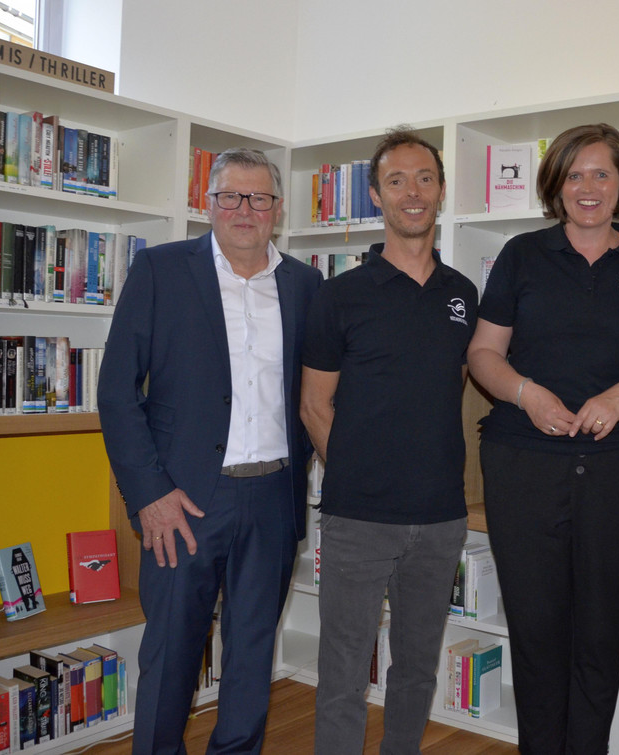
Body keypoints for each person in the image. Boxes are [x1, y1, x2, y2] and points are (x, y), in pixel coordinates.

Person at [97, 148, 322, 754]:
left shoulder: (305, 285)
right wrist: (149, 494)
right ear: (209, 204)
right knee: (171, 657)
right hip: (183, 502)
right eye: (230, 196)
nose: (244, 209)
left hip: (273, 499)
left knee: (252, 657)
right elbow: (116, 393)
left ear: (278, 208)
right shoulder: (162, 270)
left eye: (258, 198)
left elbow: (316, 390)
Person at [467, 123, 619, 753]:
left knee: (601, 634)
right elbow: (482, 354)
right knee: (536, 633)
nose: (588, 187)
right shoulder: (521, 255)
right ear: (556, 186)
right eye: (574, 174)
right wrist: (526, 393)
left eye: (602, 173)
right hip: (524, 464)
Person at [300, 126, 478, 754]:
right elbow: (314, 405)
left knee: (417, 670)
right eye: (396, 181)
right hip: (359, 519)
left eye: (424, 179)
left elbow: (451, 387)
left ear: (441, 190)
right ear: (376, 195)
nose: (412, 192)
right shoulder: (339, 296)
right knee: (343, 676)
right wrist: (358, 476)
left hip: (441, 519)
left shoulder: (463, 295)